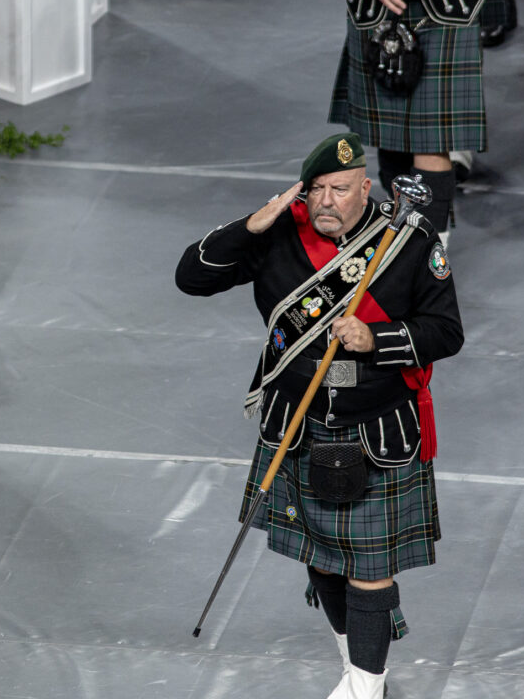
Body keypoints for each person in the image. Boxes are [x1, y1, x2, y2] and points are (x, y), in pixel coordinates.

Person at [176, 134, 463, 699]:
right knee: (323, 558)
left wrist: (376, 338)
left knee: (369, 565)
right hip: (296, 419)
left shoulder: (409, 239)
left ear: (365, 188)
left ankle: (365, 685)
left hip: (376, 423)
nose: (327, 201)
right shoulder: (278, 232)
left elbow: (446, 332)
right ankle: (356, 667)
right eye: (317, 189)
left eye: (340, 189)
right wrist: (249, 226)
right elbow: (192, 278)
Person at [308, 0, 524, 242]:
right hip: (377, 11)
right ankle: (404, 249)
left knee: (432, 142)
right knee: (391, 145)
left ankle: (429, 256)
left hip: (447, 5)